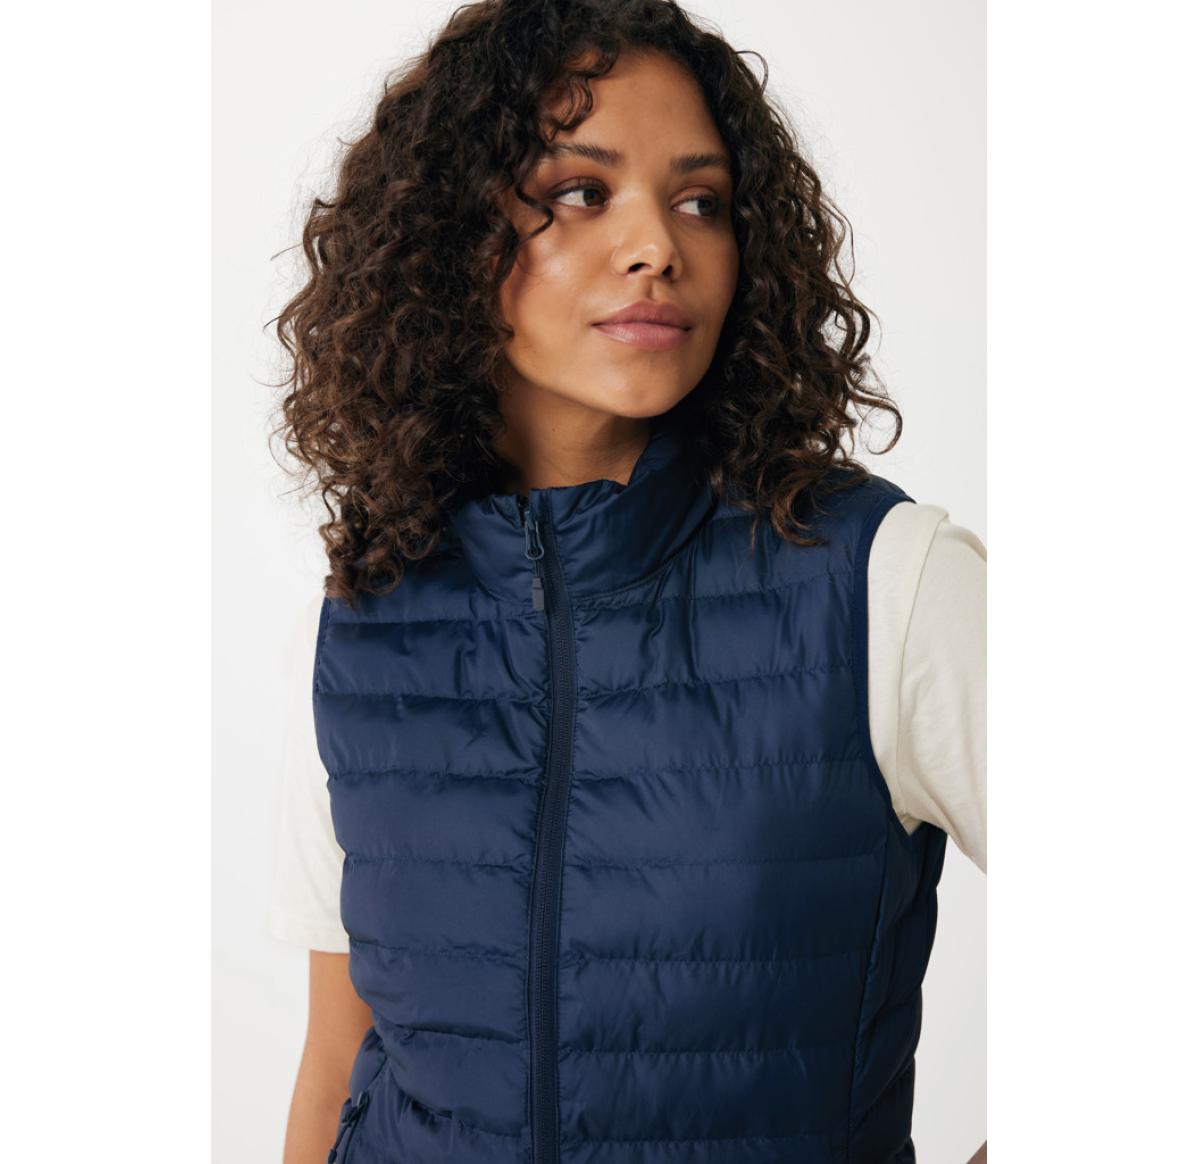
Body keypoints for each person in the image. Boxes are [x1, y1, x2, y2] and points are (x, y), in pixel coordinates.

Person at [266, 2, 986, 1161]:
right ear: (449, 235)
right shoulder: (372, 604)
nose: (657, 243)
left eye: (701, 201)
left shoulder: (878, 583)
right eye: (580, 192)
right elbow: (337, 1056)